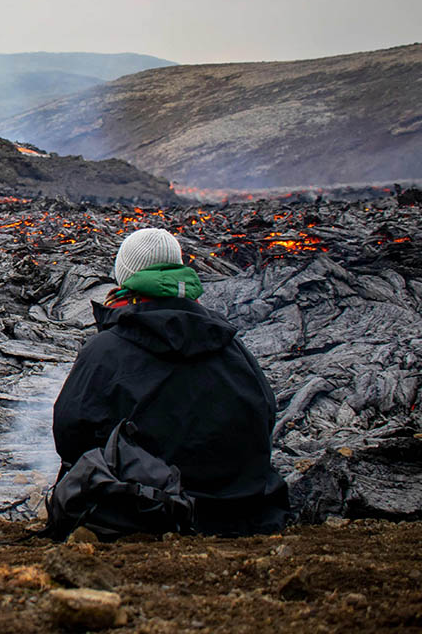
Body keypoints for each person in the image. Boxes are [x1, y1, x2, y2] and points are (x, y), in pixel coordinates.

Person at [52, 227, 291, 536]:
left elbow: (70, 434)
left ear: (124, 276)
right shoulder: (230, 343)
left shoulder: (105, 351)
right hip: (244, 512)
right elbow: (265, 414)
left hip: (148, 513)